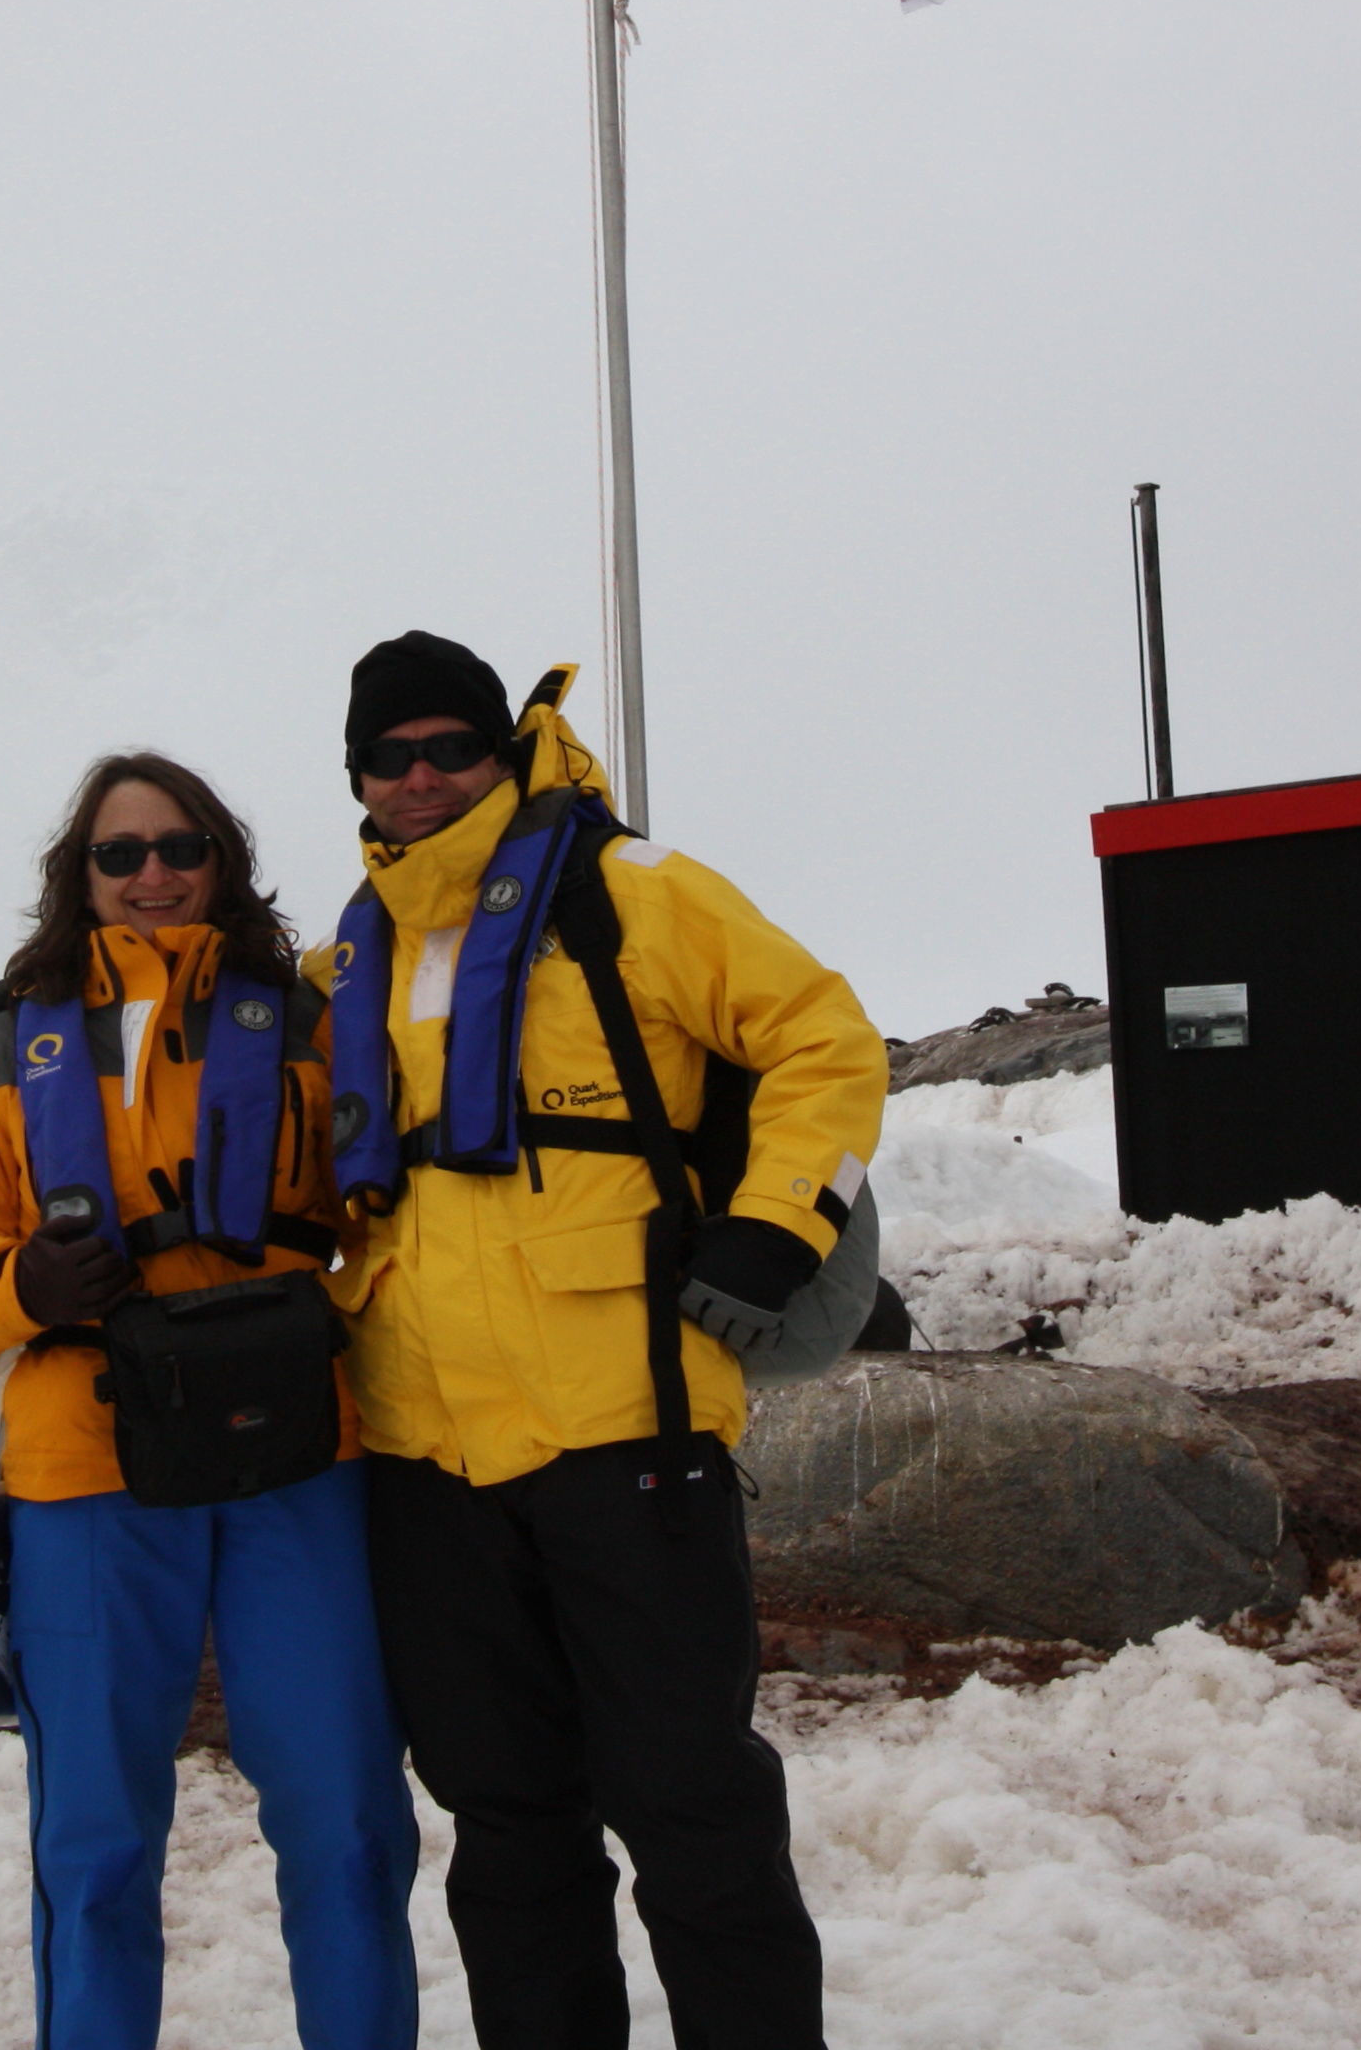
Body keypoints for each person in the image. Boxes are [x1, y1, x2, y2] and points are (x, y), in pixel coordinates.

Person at [307, 633, 887, 2050]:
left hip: (626, 1430)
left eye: (455, 745)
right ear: (361, 780)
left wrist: (777, 1225)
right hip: (424, 1458)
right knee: (506, 1829)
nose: (427, 775)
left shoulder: (632, 894)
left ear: (503, 750)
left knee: (692, 1808)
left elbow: (825, 1036)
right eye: (395, 756)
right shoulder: (350, 955)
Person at [0, 752, 422, 2050]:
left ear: (221, 862)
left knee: (350, 1821)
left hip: (295, 1453)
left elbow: (404, 1208)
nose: (151, 875)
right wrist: (21, 1282)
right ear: (77, 879)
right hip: (90, 1462)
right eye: (118, 854)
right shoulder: (11, 1050)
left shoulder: (310, 1022)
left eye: (178, 847)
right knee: (93, 1840)